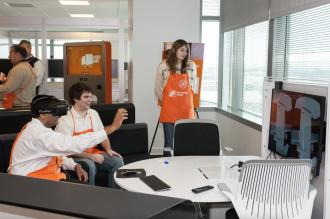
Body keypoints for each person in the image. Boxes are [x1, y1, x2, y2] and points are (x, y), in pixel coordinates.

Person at [8, 95, 127, 183]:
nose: (59, 115)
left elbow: (54, 155)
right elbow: (73, 144)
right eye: (55, 112)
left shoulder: (38, 129)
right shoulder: (38, 134)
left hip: (45, 179)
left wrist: (74, 166)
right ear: (42, 114)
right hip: (31, 184)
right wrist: (112, 127)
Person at [55, 82, 124, 187]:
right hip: (76, 156)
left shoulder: (93, 113)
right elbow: (67, 149)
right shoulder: (65, 120)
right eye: (86, 97)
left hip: (94, 153)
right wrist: (90, 156)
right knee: (90, 165)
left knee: (117, 161)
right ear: (75, 99)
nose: (90, 100)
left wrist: (108, 150)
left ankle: (113, 195)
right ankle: (90, 199)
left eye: (91, 96)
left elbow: (102, 135)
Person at [154, 39, 198, 156]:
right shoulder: (164, 65)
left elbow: (193, 86)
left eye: (186, 50)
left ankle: (183, 170)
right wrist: (167, 102)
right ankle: (167, 170)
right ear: (174, 50)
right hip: (169, 110)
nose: (185, 53)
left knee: (186, 143)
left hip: (186, 110)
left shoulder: (191, 65)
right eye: (182, 50)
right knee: (169, 144)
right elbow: (157, 88)